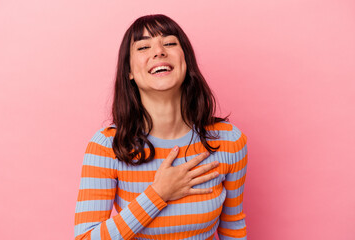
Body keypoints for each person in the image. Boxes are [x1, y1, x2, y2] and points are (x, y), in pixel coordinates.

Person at [74, 14, 248, 240]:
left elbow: (233, 227)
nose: (158, 51)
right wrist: (159, 193)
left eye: (169, 43)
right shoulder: (107, 147)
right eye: (144, 47)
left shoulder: (229, 141)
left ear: (186, 61)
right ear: (129, 72)